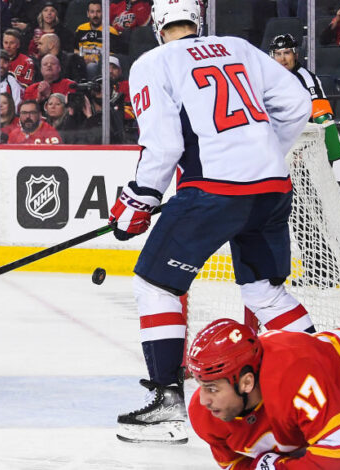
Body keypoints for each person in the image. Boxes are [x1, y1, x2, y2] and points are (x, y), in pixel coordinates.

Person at [109, 0, 314, 444]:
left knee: (155, 284)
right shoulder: (237, 46)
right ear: (198, 20)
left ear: (157, 26)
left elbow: (162, 146)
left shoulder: (154, 61)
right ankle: (321, 375)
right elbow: (300, 103)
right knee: (264, 289)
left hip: (214, 191)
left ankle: (167, 405)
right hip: (272, 186)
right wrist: (261, 156)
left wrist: (137, 201)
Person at [187, 318, 340, 469]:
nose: (203, 400)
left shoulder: (290, 375)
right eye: (201, 385)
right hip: (336, 443)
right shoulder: (205, 414)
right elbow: (235, 465)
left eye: (212, 388)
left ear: (247, 382)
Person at [269, 34, 340, 163]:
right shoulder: (269, 80)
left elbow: (321, 114)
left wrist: (331, 149)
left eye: (287, 53)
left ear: (296, 55)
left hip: (307, 146)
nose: (282, 59)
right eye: (278, 54)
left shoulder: (306, 78)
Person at [74, 0, 123, 78]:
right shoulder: (80, 29)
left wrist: (96, 59)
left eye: (98, 11)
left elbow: (113, 55)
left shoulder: (111, 31)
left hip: (99, 64)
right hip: (82, 62)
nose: (95, 15)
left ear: (103, 13)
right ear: (88, 14)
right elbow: (75, 49)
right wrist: (82, 59)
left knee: (91, 67)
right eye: (92, 12)